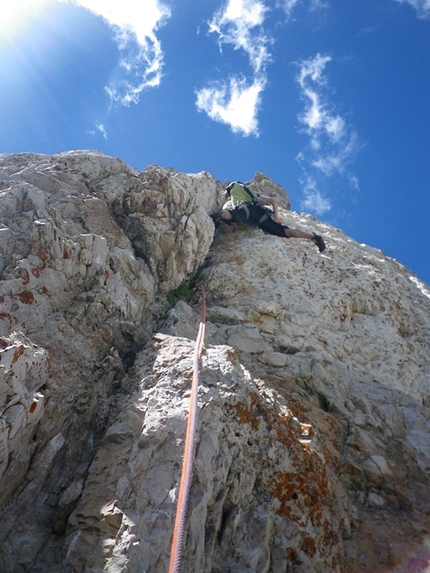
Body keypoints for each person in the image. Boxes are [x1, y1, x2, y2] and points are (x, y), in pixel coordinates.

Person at [213, 181, 326, 252]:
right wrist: (277, 218)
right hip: (260, 215)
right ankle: (314, 238)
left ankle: (215, 219)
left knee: (226, 214)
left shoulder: (233, 186)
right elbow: (273, 200)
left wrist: (222, 204)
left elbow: (223, 197)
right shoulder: (253, 193)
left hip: (243, 210)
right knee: (286, 232)